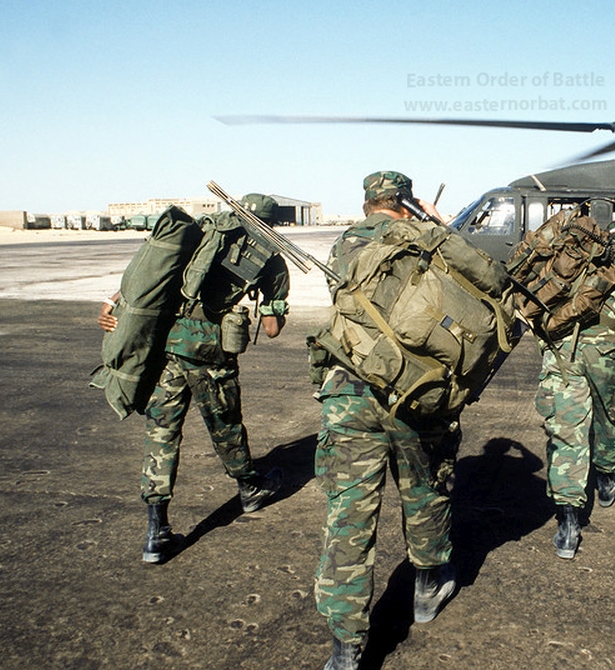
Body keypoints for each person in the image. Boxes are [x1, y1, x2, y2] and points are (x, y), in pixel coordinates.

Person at [313, 171, 458, 670]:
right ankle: (427, 587)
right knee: (425, 490)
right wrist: (441, 225)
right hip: (414, 392)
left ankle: (345, 647)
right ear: (406, 202)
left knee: (349, 514)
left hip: (350, 392)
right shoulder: (428, 238)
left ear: (368, 202)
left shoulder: (343, 244)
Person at [97, 194, 289, 564]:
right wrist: (270, 305)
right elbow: (272, 330)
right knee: (225, 425)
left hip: (168, 346)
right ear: (272, 224)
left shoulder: (204, 232)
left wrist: (113, 301)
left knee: (162, 432)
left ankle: (156, 531)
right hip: (210, 352)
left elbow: (155, 271)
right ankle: (250, 487)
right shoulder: (272, 260)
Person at [534, 218, 615, 560]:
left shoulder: (566, 262)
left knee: (567, 435)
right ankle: (607, 482)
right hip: (608, 353)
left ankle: (568, 525)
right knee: (611, 417)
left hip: (561, 355)